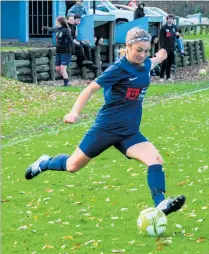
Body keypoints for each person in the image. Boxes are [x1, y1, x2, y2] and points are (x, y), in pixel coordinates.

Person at [25, 27, 186, 216]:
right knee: (72, 166)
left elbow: (156, 59)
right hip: (106, 128)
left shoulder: (146, 64)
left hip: (129, 132)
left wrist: (162, 53)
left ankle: (161, 204)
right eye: (138, 50)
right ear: (128, 46)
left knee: (155, 160)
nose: (143, 54)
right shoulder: (118, 68)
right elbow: (90, 89)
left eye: (146, 50)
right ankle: (45, 163)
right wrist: (74, 112)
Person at [43, 16, 74, 86]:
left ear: (59, 21)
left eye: (56, 20)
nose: (55, 21)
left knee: (63, 68)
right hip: (58, 52)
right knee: (57, 69)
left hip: (66, 52)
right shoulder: (57, 29)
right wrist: (44, 27)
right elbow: (51, 29)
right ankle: (66, 77)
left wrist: (72, 51)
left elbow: (71, 41)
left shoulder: (66, 30)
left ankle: (66, 84)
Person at [159, 14, 180, 82]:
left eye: (171, 19)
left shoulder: (174, 27)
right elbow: (161, 38)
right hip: (165, 48)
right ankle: (161, 77)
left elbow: (177, 37)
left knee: (170, 63)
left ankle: (168, 77)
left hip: (172, 47)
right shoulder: (164, 28)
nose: (170, 20)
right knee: (164, 62)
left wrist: (178, 35)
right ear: (167, 19)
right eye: (169, 19)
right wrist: (162, 48)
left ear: (173, 20)